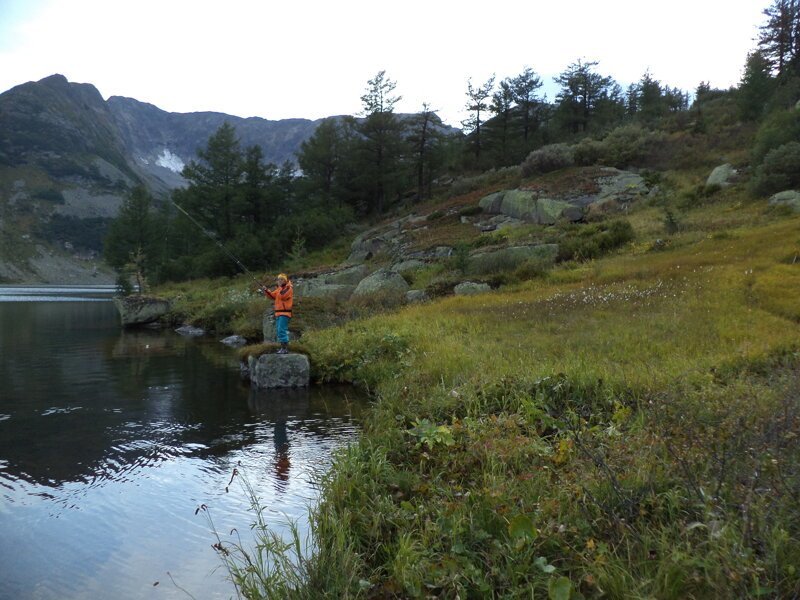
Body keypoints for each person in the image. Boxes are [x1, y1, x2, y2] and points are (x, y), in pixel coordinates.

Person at [260, 273, 293, 354]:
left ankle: (285, 349)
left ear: (285, 280)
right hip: (278, 314)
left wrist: (281, 287)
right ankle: (282, 348)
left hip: (285, 314)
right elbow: (272, 296)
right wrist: (266, 290)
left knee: (281, 330)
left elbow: (283, 296)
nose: (279, 281)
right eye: (278, 279)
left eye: (281, 279)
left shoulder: (288, 288)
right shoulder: (279, 289)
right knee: (279, 331)